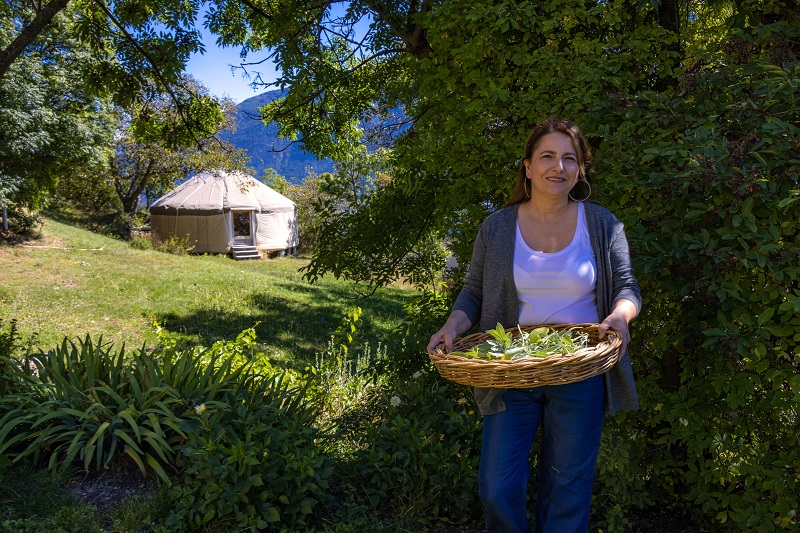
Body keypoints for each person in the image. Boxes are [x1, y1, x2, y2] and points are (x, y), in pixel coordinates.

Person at [426, 117, 641, 533]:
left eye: (569, 158)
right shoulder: (498, 226)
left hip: (580, 370)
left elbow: (627, 288)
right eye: (547, 156)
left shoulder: (602, 224)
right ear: (527, 166)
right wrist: (452, 326)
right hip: (511, 369)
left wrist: (620, 315)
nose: (557, 167)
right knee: (497, 488)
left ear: (580, 169)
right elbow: (473, 291)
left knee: (568, 488)